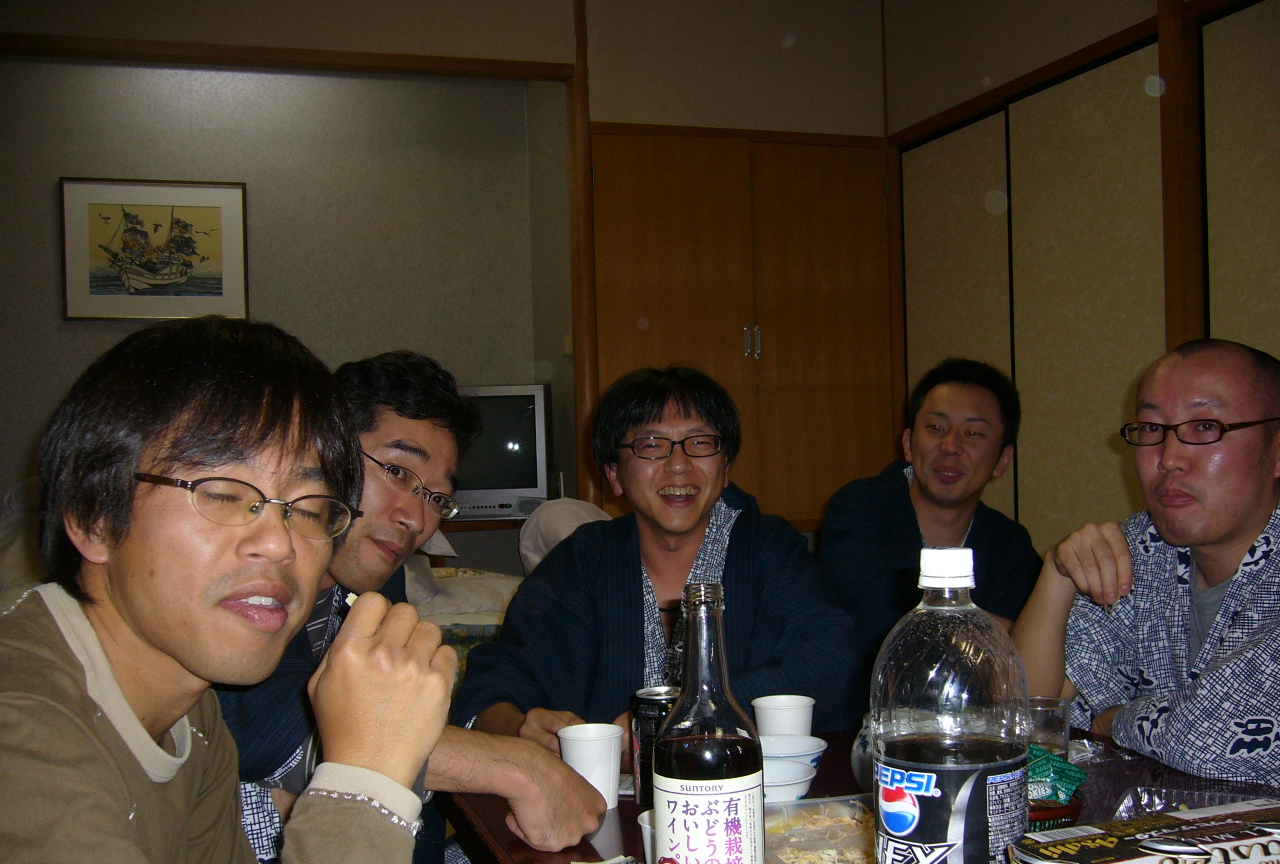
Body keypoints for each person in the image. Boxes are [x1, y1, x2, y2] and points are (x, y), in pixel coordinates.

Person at [0, 317, 456, 864]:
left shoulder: (191, 717)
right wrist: (367, 783)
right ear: (94, 515)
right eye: (221, 493)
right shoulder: (21, 736)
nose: (280, 543)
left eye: (307, 508)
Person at [218, 351, 604, 864]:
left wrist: (513, 739)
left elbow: (400, 715)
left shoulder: (368, 580)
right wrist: (515, 767)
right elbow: (279, 733)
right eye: (398, 472)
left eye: (436, 498)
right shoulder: (256, 569)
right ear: (325, 451)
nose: (416, 519)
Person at [455, 365, 867, 745]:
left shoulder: (770, 548)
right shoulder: (583, 560)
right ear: (614, 474)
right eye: (651, 445)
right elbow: (496, 681)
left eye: (700, 443)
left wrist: (676, 720)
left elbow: (830, 663)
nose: (679, 465)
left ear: (725, 468)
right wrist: (521, 727)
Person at [1013, 339, 1280, 784]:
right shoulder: (1142, 549)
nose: (1169, 459)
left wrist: (1114, 721)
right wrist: (1057, 575)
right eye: (1153, 428)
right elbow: (1023, 714)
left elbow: (1222, 739)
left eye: (1205, 427)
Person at [819, 358, 1041, 664]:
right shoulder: (858, 509)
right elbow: (880, 614)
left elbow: (1044, 647)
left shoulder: (1010, 544)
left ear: (1003, 460)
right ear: (908, 443)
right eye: (936, 428)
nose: (951, 446)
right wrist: (1007, 635)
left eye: (973, 433)